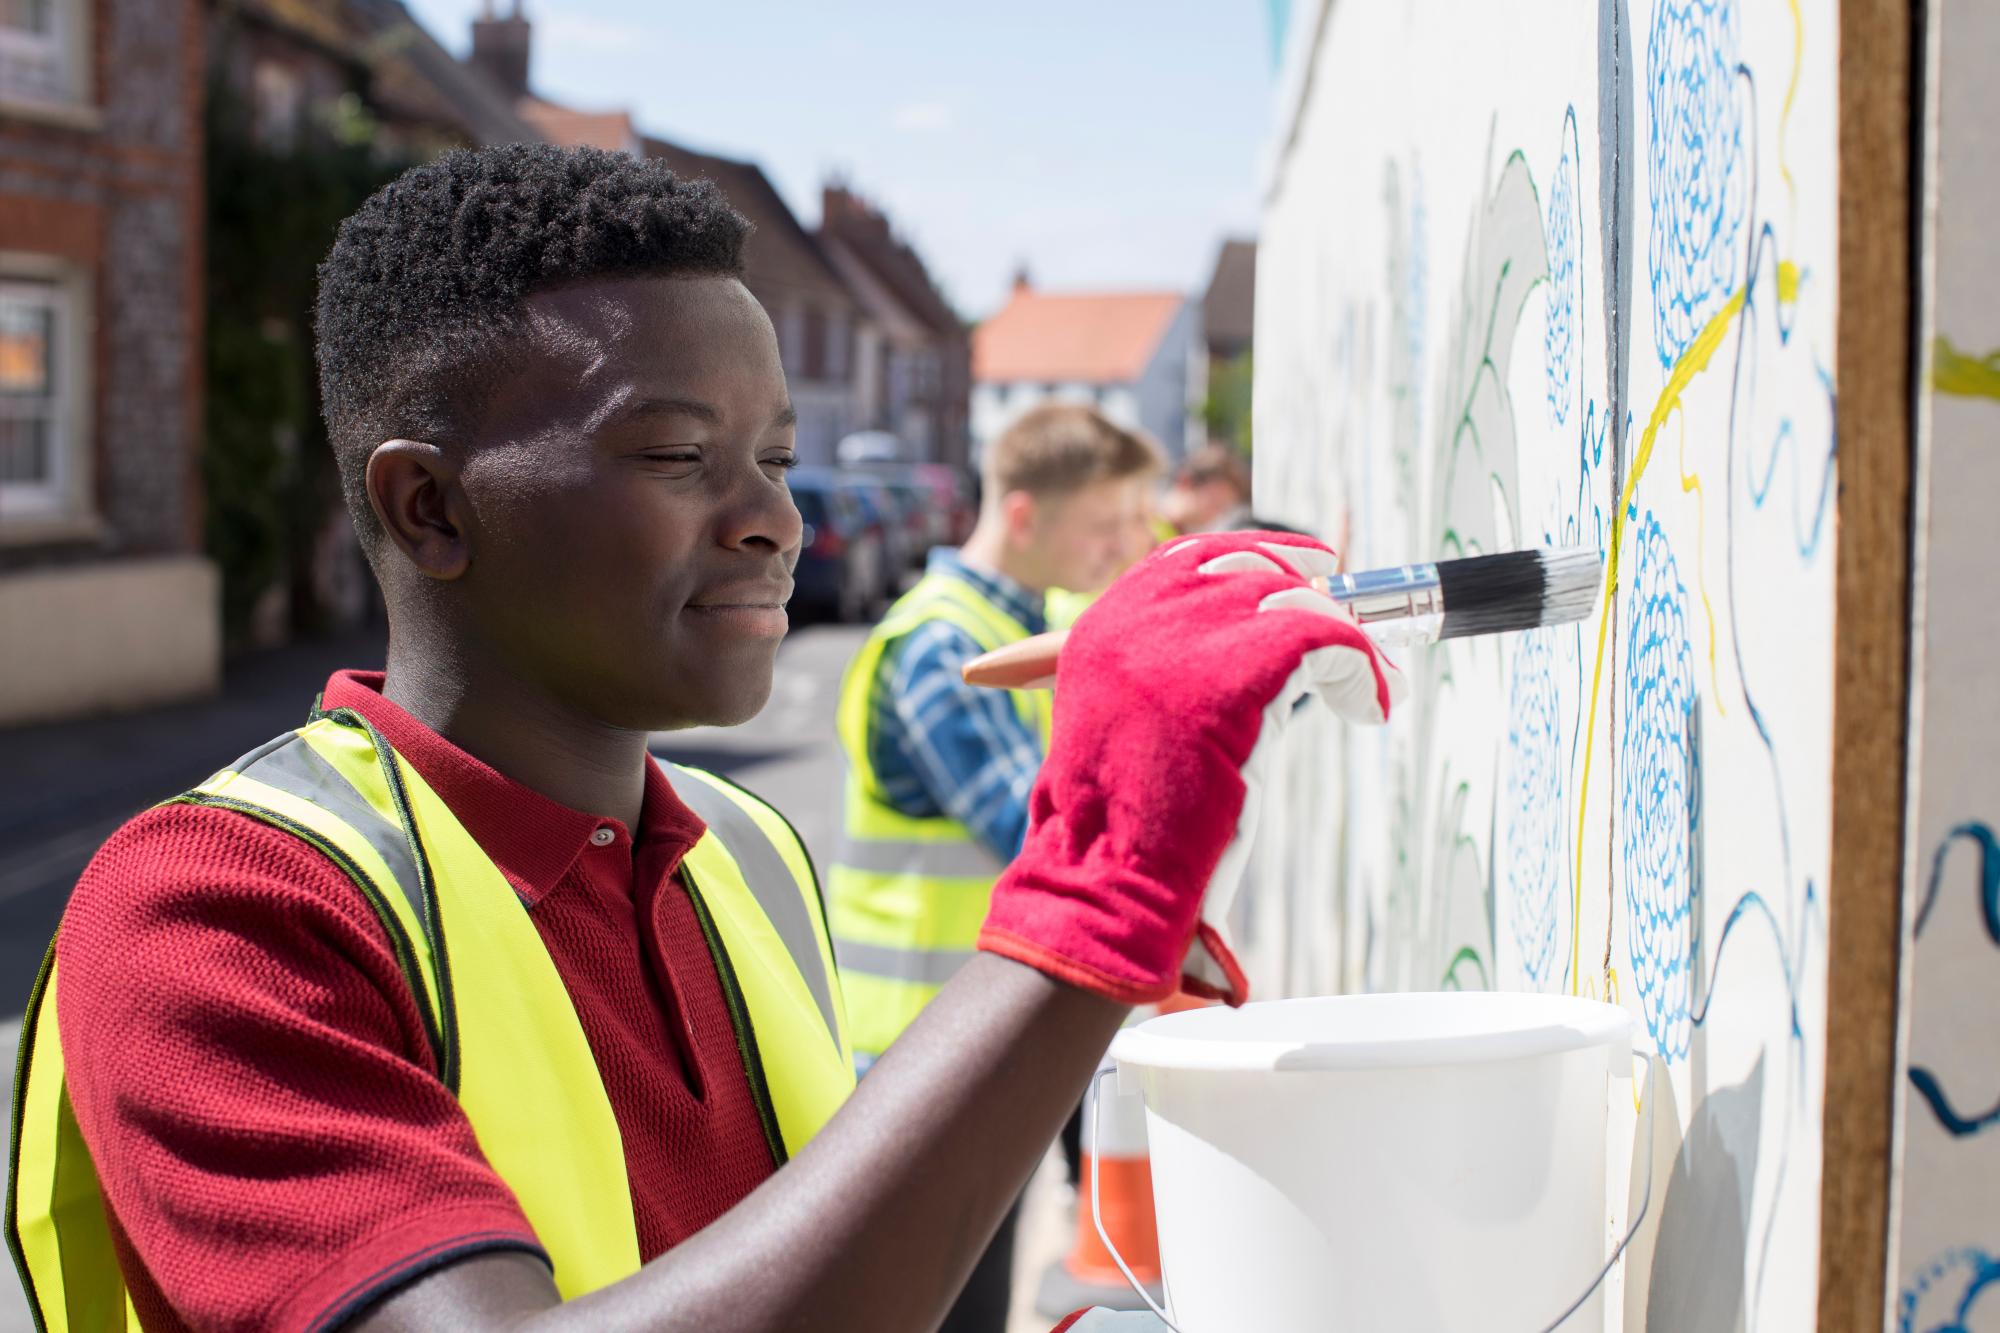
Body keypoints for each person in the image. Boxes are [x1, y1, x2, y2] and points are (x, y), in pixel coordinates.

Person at [7, 145, 1400, 1333]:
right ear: (431, 508)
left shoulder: (741, 849)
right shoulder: (215, 912)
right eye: (680, 457)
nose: (774, 520)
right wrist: (1100, 883)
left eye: (778, 459)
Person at [829, 404, 1160, 1329]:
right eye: (1106, 525)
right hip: (918, 1061)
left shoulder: (1047, 622)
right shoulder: (943, 647)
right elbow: (1049, 837)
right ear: (1023, 517)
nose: (1123, 545)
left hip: (994, 1038)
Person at [1157, 442, 1252, 537]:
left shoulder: (1177, 536)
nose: (1216, 515)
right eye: (1214, 503)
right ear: (1185, 482)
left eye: (1223, 510)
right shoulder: (1150, 535)